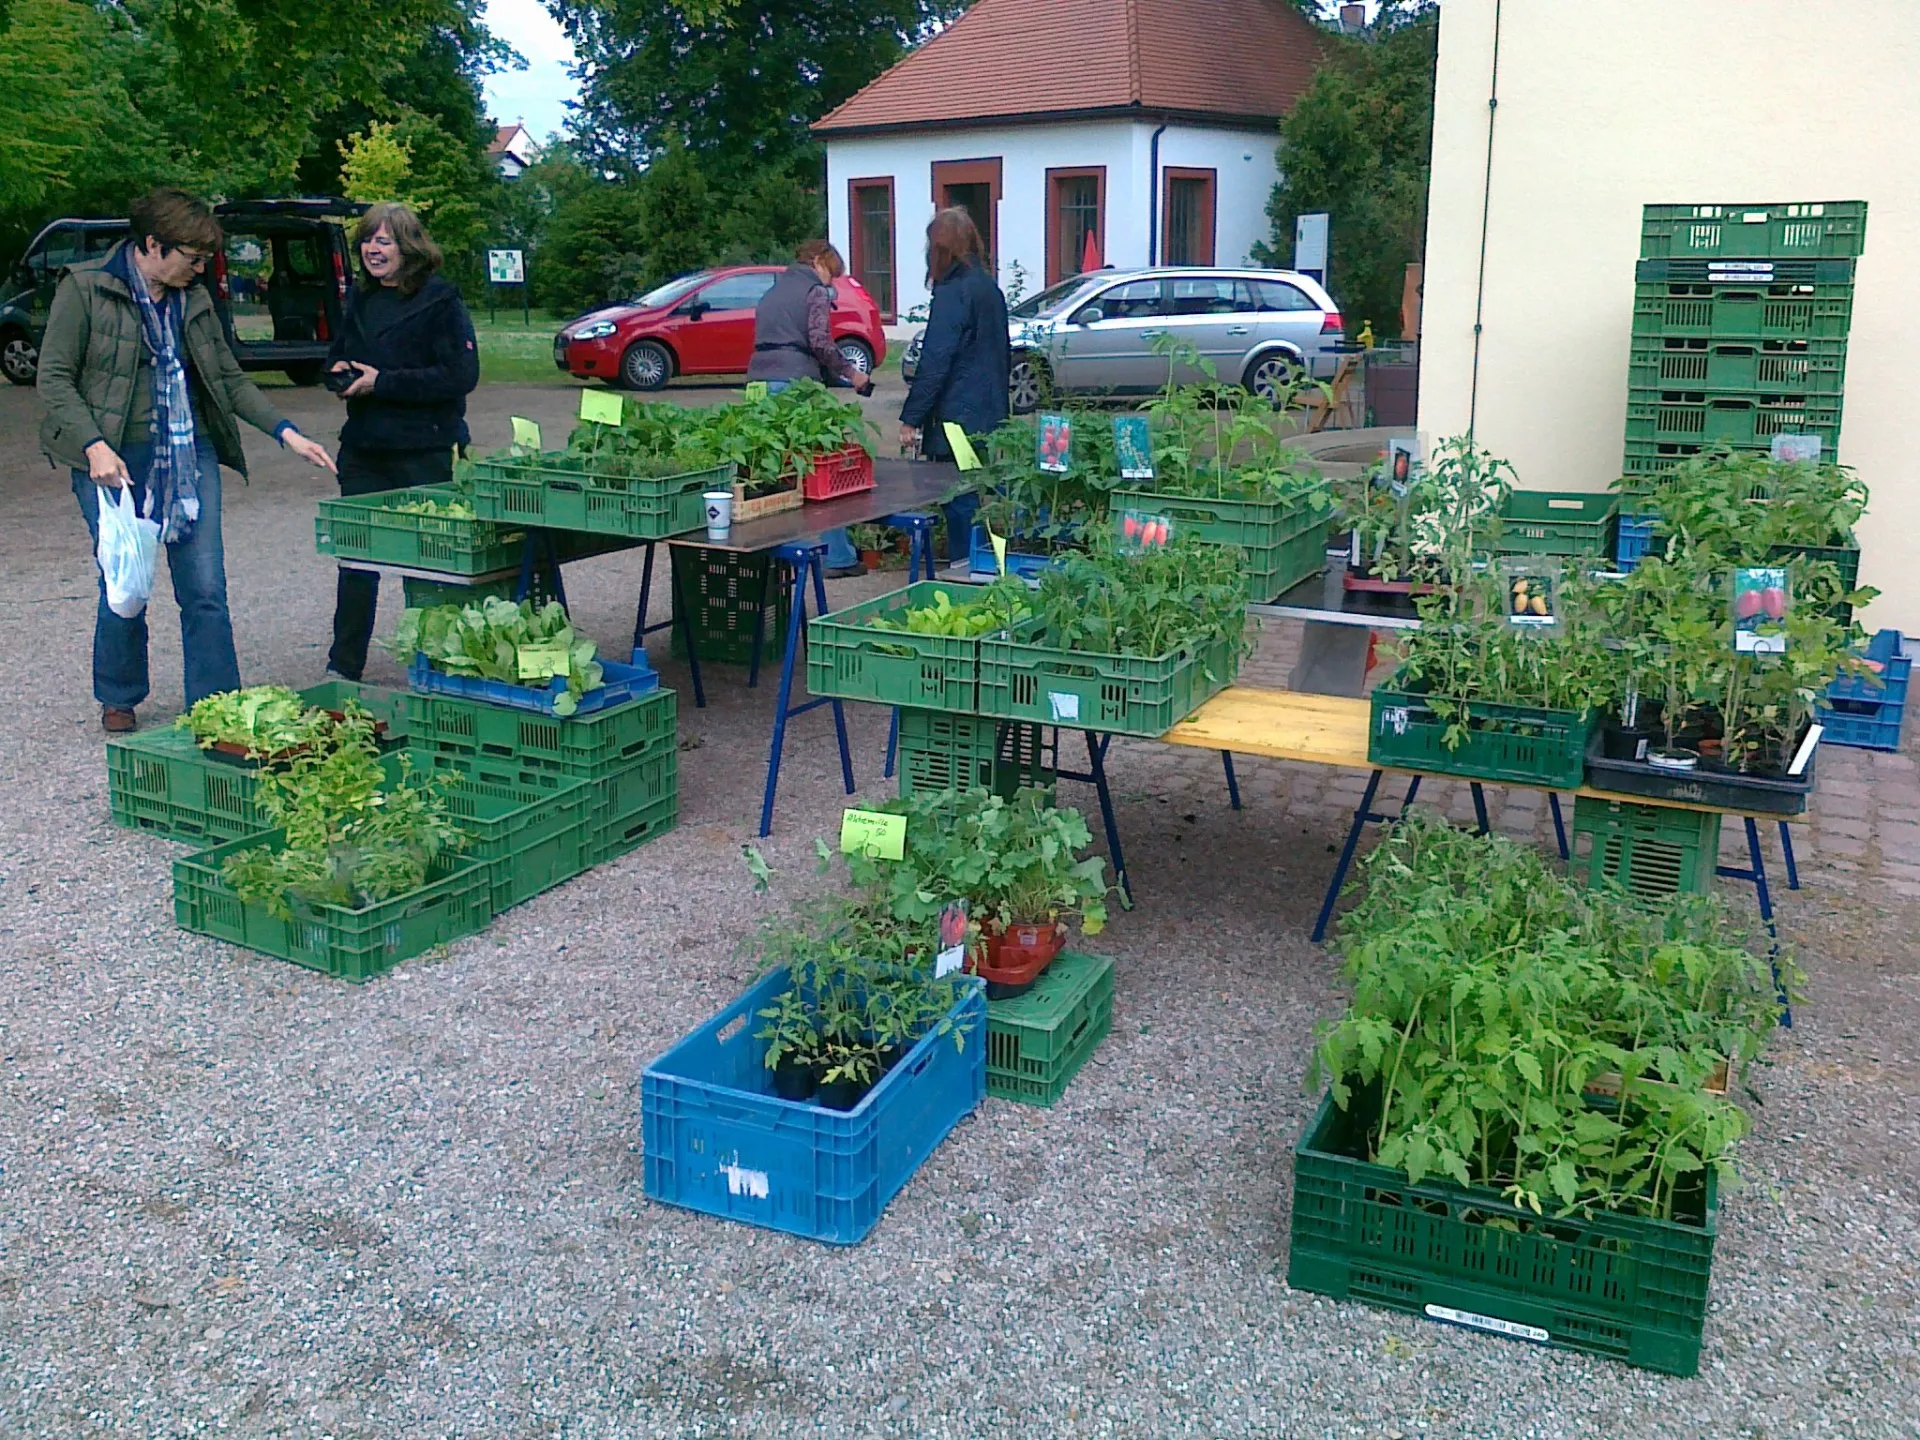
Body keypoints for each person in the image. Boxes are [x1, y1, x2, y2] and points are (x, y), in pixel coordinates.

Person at [37, 186, 337, 733]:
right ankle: (119, 694)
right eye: (193, 258)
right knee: (125, 585)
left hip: (187, 452)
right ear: (154, 245)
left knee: (205, 589)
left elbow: (227, 378)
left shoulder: (192, 299)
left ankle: (216, 705)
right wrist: (92, 445)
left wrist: (285, 432)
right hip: (113, 457)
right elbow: (54, 378)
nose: (200, 270)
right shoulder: (84, 288)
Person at [323, 202, 480, 681]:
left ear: (407, 247)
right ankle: (343, 666)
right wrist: (337, 373)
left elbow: (461, 375)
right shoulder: (362, 298)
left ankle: (437, 666)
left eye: (383, 241)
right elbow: (339, 354)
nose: (373, 249)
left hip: (424, 448)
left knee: (428, 562)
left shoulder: (440, 300)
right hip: (365, 448)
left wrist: (384, 382)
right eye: (367, 240)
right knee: (356, 559)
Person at [746, 239, 874, 577]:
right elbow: (819, 341)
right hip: (795, 383)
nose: (831, 282)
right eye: (831, 273)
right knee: (820, 466)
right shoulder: (814, 291)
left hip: (757, 383)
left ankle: (777, 551)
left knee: (771, 470)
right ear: (818, 261)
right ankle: (839, 556)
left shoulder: (771, 292)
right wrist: (852, 373)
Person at [898, 208, 1011, 560]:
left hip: (956, 418)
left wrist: (911, 418)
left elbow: (935, 360)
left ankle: (965, 567)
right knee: (976, 492)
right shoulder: (988, 287)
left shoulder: (953, 292)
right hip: (988, 410)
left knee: (959, 498)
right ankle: (981, 562)